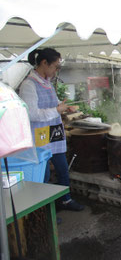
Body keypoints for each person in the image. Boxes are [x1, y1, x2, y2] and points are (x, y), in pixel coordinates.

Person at [19, 48, 84, 211]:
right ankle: (45, 211)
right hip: (39, 136)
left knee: (62, 169)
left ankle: (65, 200)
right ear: (44, 63)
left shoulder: (47, 82)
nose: (57, 70)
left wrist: (64, 109)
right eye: (55, 66)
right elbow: (32, 114)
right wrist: (57, 110)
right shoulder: (28, 85)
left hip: (53, 133)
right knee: (44, 175)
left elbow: (54, 105)